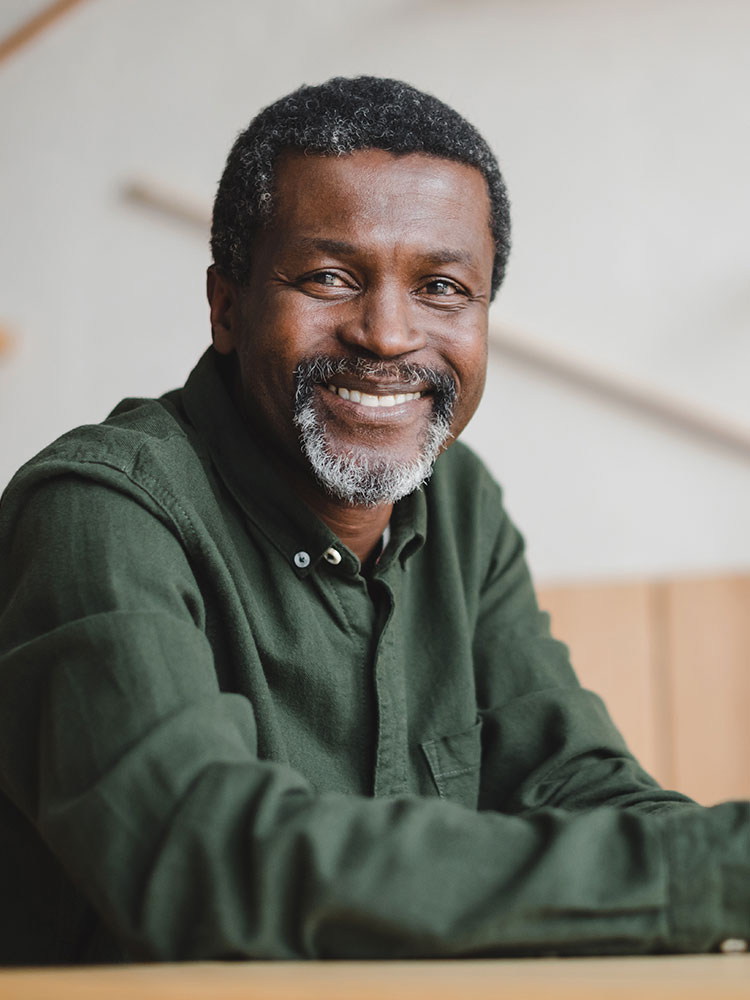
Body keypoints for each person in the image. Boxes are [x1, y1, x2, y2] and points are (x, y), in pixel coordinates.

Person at [0, 76, 747, 967]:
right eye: (329, 277)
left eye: (440, 287)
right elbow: (204, 861)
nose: (388, 334)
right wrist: (704, 875)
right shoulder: (98, 512)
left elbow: (574, 778)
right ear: (227, 306)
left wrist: (716, 870)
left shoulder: (459, 502)